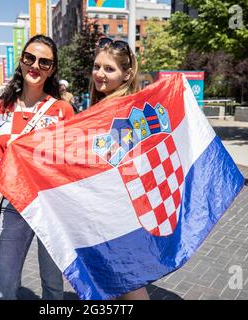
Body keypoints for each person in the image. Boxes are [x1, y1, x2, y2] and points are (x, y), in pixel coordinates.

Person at [0, 35, 75, 300]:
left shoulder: (62, 110)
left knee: (53, 285)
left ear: (53, 69)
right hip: (13, 205)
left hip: (53, 206)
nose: (35, 66)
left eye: (45, 62)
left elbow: (72, 163)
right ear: (21, 61)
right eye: (30, 58)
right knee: (4, 284)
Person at [90, 37, 150, 300]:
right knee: (115, 278)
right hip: (104, 205)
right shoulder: (101, 105)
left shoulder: (125, 108)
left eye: (109, 69)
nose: (100, 74)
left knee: (127, 279)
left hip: (119, 206)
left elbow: (128, 158)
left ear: (127, 74)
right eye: (97, 66)